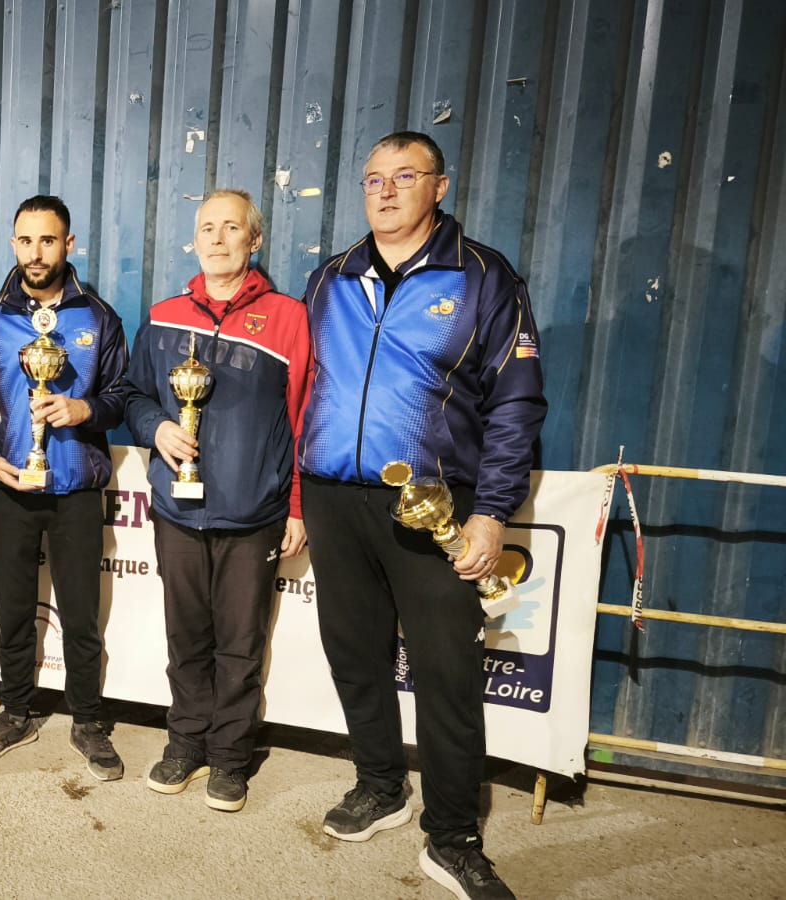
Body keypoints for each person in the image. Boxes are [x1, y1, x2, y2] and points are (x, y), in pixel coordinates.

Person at [300, 131, 545, 899]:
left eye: (406, 176)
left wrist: (493, 512)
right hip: (334, 496)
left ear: (440, 187)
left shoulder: (483, 277)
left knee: (446, 672)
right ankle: (381, 785)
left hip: (434, 505)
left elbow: (517, 404)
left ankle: (453, 836)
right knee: (355, 654)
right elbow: (309, 388)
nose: (386, 191)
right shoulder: (331, 277)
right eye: (374, 178)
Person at [124, 189, 309, 813]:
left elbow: (305, 416)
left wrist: (297, 505)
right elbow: (133, 395)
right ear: (195, 239)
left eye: (232, 228)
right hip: (177, 510)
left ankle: (230, 756)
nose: (218, 238)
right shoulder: (164, 314)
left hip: (253, 511)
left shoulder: (288, 317)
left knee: (240, 642)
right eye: (208, 227)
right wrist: (156, 428)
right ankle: (185, 742)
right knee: (186, 636)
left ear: (254, 241)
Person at [0, 195, 131, 780]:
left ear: (69, 244)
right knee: (13, 611)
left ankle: (88, 720)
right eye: (27, 241)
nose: (37, 253)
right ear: (14, 244)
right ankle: (15, 711)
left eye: (49, 240)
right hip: (11, 486)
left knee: (81, 614)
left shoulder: (100, 318)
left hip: (77, 488)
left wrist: (85, 410)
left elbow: (122, 396)